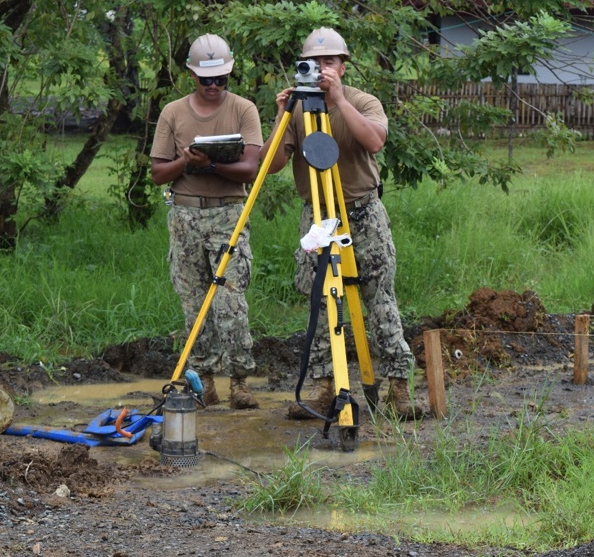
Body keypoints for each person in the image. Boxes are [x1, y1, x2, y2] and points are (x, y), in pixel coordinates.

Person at [260, 27, 423, 421]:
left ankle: (398, 387)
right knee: (320, 301)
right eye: (313, 64)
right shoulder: (298, 110)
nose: (321, 69)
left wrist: (336, 100)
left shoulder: (362, 101)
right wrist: (282, 116)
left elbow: (374, 141)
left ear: (343, 66)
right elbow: (272, 164)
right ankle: (323, 386)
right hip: (319, 214)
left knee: (378, 299)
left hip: (362, 212)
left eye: (329, 62)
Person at [150, 33, 263, 409]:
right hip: (184, 215)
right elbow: (158, 172)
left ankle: (240, 381)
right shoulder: (173, 112)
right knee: (194, 303)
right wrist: (188, 161)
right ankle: (205, 382)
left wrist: (212, 164)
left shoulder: (244, 109)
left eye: (221, 80)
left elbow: (251, 167)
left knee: (230, 301)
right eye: (206, 80)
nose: (214, 87)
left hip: (229, 212)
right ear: (192, 76)